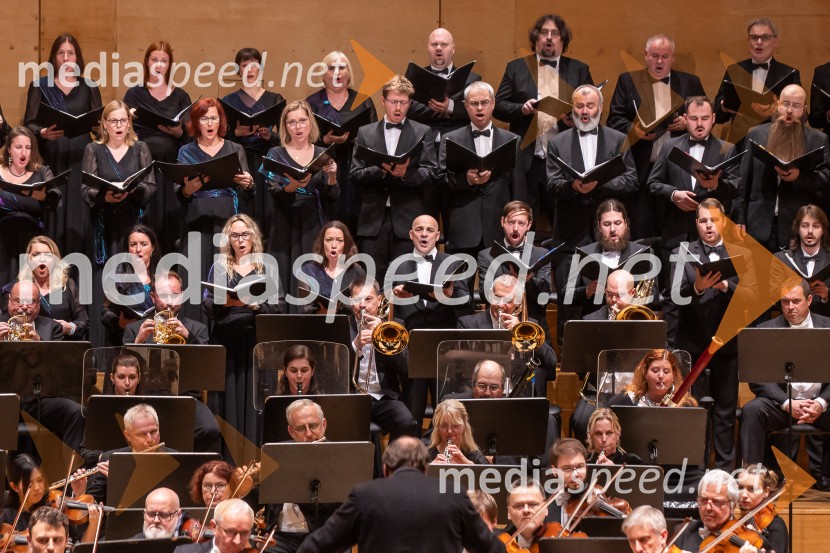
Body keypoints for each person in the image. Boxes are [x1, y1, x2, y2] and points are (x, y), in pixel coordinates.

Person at [664, 198, 754, 470]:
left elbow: (753, 298)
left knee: (726, 410)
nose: (709, 225)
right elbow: (674, 296)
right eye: (703, 220)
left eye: (714, 220)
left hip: (728, 343)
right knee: (695, 411)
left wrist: (727, 286)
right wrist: (699, 288)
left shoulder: (743, 252)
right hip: (692, 344)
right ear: (696, 224)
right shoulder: (683, 252)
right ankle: (696, 469)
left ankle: (725, 471)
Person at [296, 436, 503, 553]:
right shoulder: (453, 494)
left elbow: (314, 548)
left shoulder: (365, 495)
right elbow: (492, 549)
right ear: (425, 469)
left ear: (385, 469)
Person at [494, 14, 593, 228]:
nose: (549, 38)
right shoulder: (516, 68)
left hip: (564, 163)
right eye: (544, 33)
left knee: (565, 222)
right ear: (536, 38)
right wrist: (521, 108)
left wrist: (574, 119)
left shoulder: (579, 70)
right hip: (527, 161)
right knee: (523, 222)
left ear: (563, 40)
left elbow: (593, 113)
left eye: (555, 33)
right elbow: (499, 106)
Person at [606, 34, 706, 237]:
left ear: (673, 58)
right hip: (640, 167)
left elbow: (704, 117)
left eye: (665, 56)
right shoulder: (628, 81)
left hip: (676, 170)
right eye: (654, 55)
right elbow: (613, 119)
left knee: (672, 230)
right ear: (645, 56)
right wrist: (634, 130)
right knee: (640, 227)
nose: (659, 61)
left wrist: (688, 122)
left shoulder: (690, 83)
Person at [350, 75, 438, 283]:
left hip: (407, 219)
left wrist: (405, 174)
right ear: (383, 101)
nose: (398, 108)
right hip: (373, 220)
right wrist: (380, 170)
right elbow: (355, 174)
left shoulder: (422, 131)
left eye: (403, 102)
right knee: (372, 279)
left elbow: (431, 173)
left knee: (405, 280)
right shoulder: (365, 132)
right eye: (393, 102)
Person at [741, 278, 830, 483]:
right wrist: (788, 403)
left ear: (809, 300)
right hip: (782, 405)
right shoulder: (765, 329)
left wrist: (820, 403)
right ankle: (752, 480)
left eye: (796, 301)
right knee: (752, 410)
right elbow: (757, 378)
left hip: (821, 405)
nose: (790, 307)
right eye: (785, 302)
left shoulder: (828, 328)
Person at [203, 214, 282, 443]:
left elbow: (280, 305)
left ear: (253, 236)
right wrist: (228, 302)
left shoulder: (267, 266)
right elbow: (207, 303)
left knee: (255, 399)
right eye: (235, 235)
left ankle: (256, 461)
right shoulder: (220, 267)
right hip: (226, 338)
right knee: (228, 399)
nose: (240, 240)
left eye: (245, 234)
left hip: (256, 338)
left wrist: (256, 304)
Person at [23, 33, 102, 256]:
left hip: (81, 158)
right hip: (53, 157)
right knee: (54, 214)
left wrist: (98, 128)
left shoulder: (89, 86)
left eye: (71, 53)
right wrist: (42, 132)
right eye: (61, 53)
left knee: (80, 214)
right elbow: (28, 124)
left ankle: (79, 272)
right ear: (54, 57)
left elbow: (100, 124)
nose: (66, 58)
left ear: (77, 58)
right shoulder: (40, 85)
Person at [176, 97, 255, 318]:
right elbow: (180, 193)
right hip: (197, 220)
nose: (210, 123)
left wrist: (249, 183)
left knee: (225, 275)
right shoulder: (186, 151)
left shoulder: (234, 148)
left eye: (214, 118)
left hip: (227, 219)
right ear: (195, 122)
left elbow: (248, 191)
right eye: (204, 119)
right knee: (196, 275)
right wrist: (187, 189)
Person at [390, 213, 471, 425]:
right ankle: (409, 457)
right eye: (419, 230)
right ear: (411, 235)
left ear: (437, 235)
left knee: (447, 413)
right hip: (412, 349)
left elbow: (466, 300)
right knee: (411, 412)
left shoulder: (452, 263)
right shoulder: (398, 265)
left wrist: (449, 296)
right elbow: (383, 301)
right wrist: (394, 294)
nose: (423, 234)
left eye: (429, 230)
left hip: (445, 348)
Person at [648, 96, 742, 270]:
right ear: (685, 118)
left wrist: (715, 185)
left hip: (714, 240)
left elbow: (736, 187)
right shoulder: (669, 146)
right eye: (694, 118)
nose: (699, 124)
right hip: (675, 237)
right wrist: (674, 195)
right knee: (675, 293)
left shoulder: (727, 149)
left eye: (705, 118)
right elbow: (653, 183)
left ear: (714, 118)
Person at [546, 84, 639, 250]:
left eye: (590, 106)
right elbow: (552, 184)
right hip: (570, 233)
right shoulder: (556, 142)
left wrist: (600, 184)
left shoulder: (619, 139)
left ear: (600, 107)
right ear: (573, 108)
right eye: (579, 106)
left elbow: (631, 181)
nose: (584, 112)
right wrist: (573, 186)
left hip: (609, 234)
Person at [739, 84, 830, 251]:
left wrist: (799, 177)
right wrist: (739, 219)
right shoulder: (755, 134)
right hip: (757, 224)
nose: (789, 110)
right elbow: (743, 181)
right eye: (785, 103)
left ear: (804, 109)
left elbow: (825, 178)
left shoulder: (818, 140)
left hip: (796, 229)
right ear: (778, 104)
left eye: (796, 106)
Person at [262, 100, 338, 301]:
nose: (298, 127)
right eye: (292, 122)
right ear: (285, 126)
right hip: (285, 222)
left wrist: (332, 177)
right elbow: (275, 193)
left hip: (313, 221)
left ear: (310, 123)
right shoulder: (276, 153)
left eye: (303, 121)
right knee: (285, 271)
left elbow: (331, 198)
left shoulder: (322, 153)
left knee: (311, 272)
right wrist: (294, 185)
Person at [439, 81, 521, 261]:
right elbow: (440, 181)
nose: (479, 108)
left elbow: (517, 187)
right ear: (466, 106)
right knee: (460, 287)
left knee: (497, 286)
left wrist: (516, 225)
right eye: (474, 103)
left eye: (484, 102)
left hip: (498, 228)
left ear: (493, 104)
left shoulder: (512, 140)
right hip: (463, 226)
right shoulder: (450, 139)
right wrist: (466, 180)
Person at [123, 40, 193, 254]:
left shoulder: (180, 96)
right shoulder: (134, 94)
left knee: (169, 224)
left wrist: (178, 132)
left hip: (169, 170)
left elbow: (190, 138)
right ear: (147, 62)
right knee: (144, 224)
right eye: (155, 59)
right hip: (142, 170)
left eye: (164, 60)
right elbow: (122, 130)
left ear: (170, 64)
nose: (159, 65)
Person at [408, 28, 483, 220]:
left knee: (456, 217)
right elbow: (410, 109)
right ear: (428, 48)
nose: (439, 49)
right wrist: (444, 110)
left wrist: (450, 106)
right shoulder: (414, 78)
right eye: (434, 45)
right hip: (424, 156)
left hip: (456, 156)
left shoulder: (471, 79)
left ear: (453, 48)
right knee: (426, 217)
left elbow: (476, 112)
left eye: (444, 44)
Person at [306, 51, 377, 232]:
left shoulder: (363, 101)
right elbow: (302, 140)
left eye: (341, 68)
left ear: (349, 73)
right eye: (331, 68)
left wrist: (355, 138)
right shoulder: (312, 103)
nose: (337, 73)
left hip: (355, 168)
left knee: (355, 217)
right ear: (323, 74)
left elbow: (375, 138)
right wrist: (325, 139)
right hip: (324, 169)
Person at [458, 274, 557, 398]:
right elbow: (461, 364)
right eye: (497, 297)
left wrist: (522, 332)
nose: (500, 305)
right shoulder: (468, 324)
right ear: (490, 295)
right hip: (482, 393)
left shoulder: (529, 326)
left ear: (518, 302)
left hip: (518, 394)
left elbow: (551, 362)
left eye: (507, 301)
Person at [82, 99, 155, 266]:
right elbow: (86, 188)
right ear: (105, 124)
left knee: (131, 270)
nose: (119, 125)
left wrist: (134, 190)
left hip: (133, 218)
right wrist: (105, 197)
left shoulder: (140, 148)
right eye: (114, 121)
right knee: (104, 272)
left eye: (123, 120)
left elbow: (150, 185)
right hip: (103, 220)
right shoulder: (93, 149)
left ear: (129, 124)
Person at [348, 278, 419, 440]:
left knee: (407, 423)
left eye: (368, 299)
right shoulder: (343, 326)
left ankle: (393, 464)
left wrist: (384, 337)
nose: (363, 305)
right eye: (357, 300)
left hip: (383, 398)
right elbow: (334, 370)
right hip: (352, 398)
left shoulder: (394, 327)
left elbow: (406, 368)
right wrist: (354, 345)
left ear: (379, 301)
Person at [476, 201, 553, 346]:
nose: (515, 228)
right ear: (502, 222)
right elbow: (483, 293)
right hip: (498, 325)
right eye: (511, 222)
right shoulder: (486, 255)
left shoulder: (541, 254)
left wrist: (527, 281)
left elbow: (544, 296)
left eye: (521, 223)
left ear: (529, 225)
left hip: (533, 324)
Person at [222, 47, 283, 227]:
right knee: (243, 211)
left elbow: (286, 139)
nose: (249, 70)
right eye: (244, 65)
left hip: (267, 160)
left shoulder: (274, 99)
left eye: (254, 65)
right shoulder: (228, 101)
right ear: (238, 70)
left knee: (268, 210)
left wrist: (270, 135)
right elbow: (220, 138)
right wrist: (236, 134)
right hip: (240, 161)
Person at [714, 18, 801, 144]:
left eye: (765, 37)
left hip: (775, 143)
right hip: (740, 144)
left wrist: (779, 110)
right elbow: (717, 114)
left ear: (775, 41)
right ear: (748, 41)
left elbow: (802, 116)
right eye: (754, 37)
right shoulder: (734, 70)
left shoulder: (789, 74)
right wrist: (725, 107)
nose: (759, 42)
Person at [0, 127, 61, 286]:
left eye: (28, 148)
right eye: (18, 147)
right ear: (9, 150)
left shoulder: (42, 172)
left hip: (31, 242)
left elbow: (56, 202)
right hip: (3, 240)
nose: (24, 153)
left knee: (27, 291)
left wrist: (42, 197)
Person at [85, 403, 175, 503]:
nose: (150, 439)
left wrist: (123, 481)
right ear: (128, 435)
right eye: (142, 434)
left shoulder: (175, 459)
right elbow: (94, 502)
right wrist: (80, 492)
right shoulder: (111, 459)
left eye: (153, 431)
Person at [4, 235, 88, 341]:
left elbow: (83, 321)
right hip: (25, 346)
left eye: (48, 255)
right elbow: (6, 317)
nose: (42, 259)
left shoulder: (67, 286)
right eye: (36, 255)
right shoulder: (17, 287)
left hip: (60, 346)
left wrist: (70, 328)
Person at [1, 454, 100, 544]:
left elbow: (80, 549)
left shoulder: (55, 510)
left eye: (40, 480)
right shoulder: (7, 518)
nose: (37, 488)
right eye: (29, 484)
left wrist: (93, 523)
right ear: (14, 487)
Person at [674, 469, 765, 553]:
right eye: (704, 500)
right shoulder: (683, 531)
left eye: (717, 502)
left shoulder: (751, 539)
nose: (708, 508)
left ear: (733, 505)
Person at [100, 224, 159, 346]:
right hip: (127, 338)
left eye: (143, 244)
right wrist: (120, 323)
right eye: (133, 245)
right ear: (128, 249)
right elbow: (106, 312)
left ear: (152, 248)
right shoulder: (118, 278)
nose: (138, 249)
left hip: (157, 338)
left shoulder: (161, 276)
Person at [772, 204, 830, 317]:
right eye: (805, 225)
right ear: (797, 229)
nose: (810, 231)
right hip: (791, 326)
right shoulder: (782, 259)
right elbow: (773, 300)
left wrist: (826, 295)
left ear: (823, 230)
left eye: (816, 226)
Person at [122, 270, 209, 345]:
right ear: (153, 297)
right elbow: (124, 363)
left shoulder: (198, 329)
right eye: (163, 296)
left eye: (175, 295)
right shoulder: (133, 330)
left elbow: (205, 362)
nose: (170, 302)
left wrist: (188, 336)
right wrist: (137, 342)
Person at [298, 220, 364, 314]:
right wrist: (321, 311)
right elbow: (303, 308)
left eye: (339, 240)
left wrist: (340, 308)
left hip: (347, 325)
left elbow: (363, 304)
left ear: (346, 244)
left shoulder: (357, 272)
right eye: (329, 240)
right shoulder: (307, 270)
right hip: (317, 325)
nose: (333, 245)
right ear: (322, 243)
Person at [608, 349, 697, 408]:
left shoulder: (686, 405)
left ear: (673, 375)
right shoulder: (626, 401)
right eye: (655, 370)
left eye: (666, 372)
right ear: (645, 372)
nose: (661, 376)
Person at [736, 466, 788, 553]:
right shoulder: (741, 522)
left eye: (752, 489)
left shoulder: (776, 524)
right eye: (741, 487)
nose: (744, 494)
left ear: (766, 492)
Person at [173, 499, 256, 553]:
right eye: (230, 531)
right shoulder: (184, 552)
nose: (237, 541)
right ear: (214, 527)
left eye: (244, 533)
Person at [427, 399, 488, 465]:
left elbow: (491, 474)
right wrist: (430, 470)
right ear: (438, 427)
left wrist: (472, 468)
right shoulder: (427, 457)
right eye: (444, 425)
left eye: (455, 425)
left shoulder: (476, 457)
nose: (449, 431)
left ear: (464, 426)